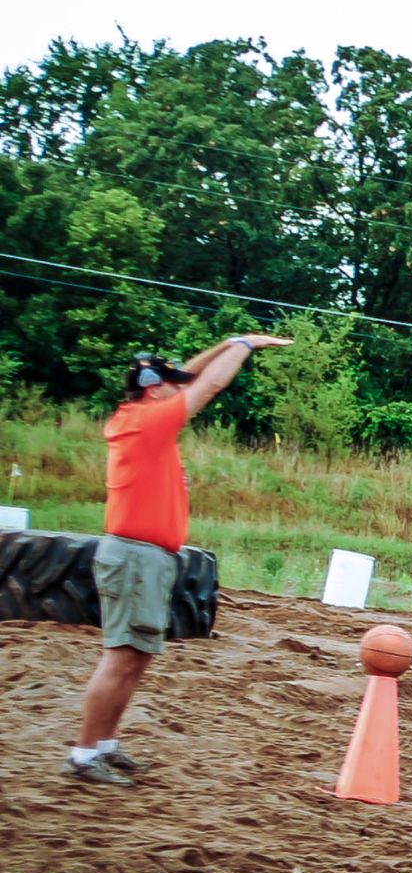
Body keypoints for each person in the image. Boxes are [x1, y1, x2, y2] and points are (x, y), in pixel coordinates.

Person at [66, 335, 291, 787]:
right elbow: (206, 386)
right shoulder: (146, 422)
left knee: (136, 658)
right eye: (170, 383)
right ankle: (84, 754)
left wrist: (227, 342)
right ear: (154, 390)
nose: (180, 388)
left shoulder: (143, 415)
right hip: (135, 557)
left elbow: (189, 376)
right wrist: (245, 346)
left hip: (147, 557)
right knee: (120, 657)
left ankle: (104, 745)